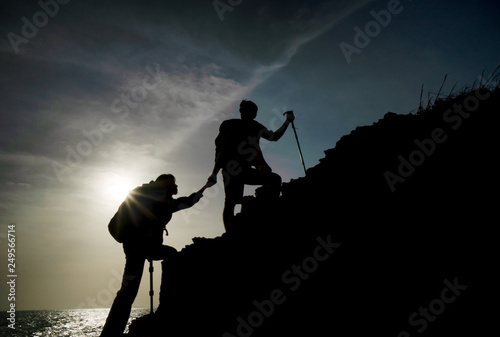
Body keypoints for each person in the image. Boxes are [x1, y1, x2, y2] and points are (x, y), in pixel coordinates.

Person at [100, 174, 208, 337]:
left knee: (128, 290)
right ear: (167, 183)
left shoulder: (146, 193)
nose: (175, 186)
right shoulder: (160, 197)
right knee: (171, 255)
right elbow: (185, 202)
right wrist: (205, 188)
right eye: (173, 182)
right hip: (144, 246)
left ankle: (110, 333)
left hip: (133, 245)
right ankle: (169, 304)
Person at [207, 100, 295, 232]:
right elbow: (222, 149)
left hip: (235, 170)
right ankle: (233, 232)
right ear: (244, 112)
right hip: (233, 170)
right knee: (233, 200)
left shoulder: (250, 126)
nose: (248, 113)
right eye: (246, 110)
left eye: (250, 111)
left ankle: (234, 231)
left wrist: (287, 121)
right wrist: (214, 173)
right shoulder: (233, 125)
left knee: (231, 201)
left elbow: (273, 137)